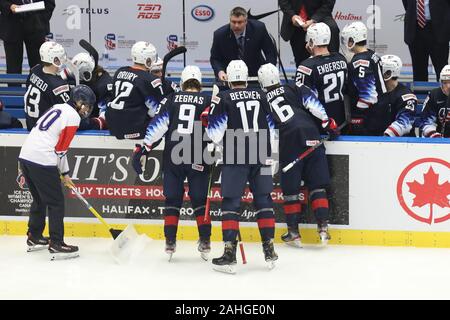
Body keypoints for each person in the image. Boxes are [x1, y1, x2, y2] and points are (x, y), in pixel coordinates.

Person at [132, 66, 212, 261]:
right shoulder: (208, 99)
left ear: (182, 82)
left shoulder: (171, 99)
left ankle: (170, 241)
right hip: (198, 154)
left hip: (173, 154)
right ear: (200, 83)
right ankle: (205, 240)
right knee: (200, 200)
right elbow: (216, 128)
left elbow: (157, 127)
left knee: (173, 199)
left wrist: (144, 149)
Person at [207, 60, 278, 274]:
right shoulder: (262, 95)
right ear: (247, 77)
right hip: (262, 153)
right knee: (264, 199)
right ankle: (269, 250)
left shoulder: (223, 97)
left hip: (235, 155)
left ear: (228, 77)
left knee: (231, 202)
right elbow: (274, 128)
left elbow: (214, 133)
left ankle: (229, 253)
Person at [258, 63, 340, 246]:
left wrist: (271, 155)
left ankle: (293, 232)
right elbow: (314, 104)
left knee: (291, 191)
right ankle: (323, 228)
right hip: (311, 135)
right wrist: (327, 123)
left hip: (289, 142)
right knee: (318, 186)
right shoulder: (294, 87)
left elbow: (270, 129)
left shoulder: (262, 100)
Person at [18, 84, 96, 260]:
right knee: (56, 202)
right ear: (80, 103)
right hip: (42, 159)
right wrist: (65, 173)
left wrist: (64, 173)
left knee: (39, 199)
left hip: (26, 156)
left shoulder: (58, 107)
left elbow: (57, 147)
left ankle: (34, 236)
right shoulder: (73, 117)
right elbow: (61, 150)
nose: (88, 110)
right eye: (88, 105)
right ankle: (56, 242)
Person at [295, 22, 348, 132]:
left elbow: (304, 99)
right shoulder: (341, 58)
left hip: (320, 124)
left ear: (311, 41)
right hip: (341, 121)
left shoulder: (306, 66)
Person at [106, 41, 164, 139]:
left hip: (112, 126)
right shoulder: (151, 80)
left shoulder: (119, 71)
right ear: (148, 60)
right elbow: (157, 112)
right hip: (134, 129)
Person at [341, 22, 387, 135]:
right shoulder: (372, 54)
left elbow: (368, 97)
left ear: (352, 40)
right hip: (380, 110)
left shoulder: (360, 62)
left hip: (369, 117)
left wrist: (355, 114)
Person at [210, 6, 277, 82]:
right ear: (230, 21)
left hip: (255, 74)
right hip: (229, 76)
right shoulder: (220, 34)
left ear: (246, 21)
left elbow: (270, 52)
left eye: (240, 22)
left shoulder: (259, 29)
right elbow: (215, 58)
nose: (236, 25)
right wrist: (220, 71)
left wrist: (268, 70)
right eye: (233, 22)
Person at [0, 0, 55, 77]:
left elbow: (49, 3)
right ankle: (14, 88)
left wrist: (42, 20)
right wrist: (9, 6)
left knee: (37, 67)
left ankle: (35, 88)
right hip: (11, 25)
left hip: (37, 26)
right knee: (13, 67)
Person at [24, 41, 71, 130]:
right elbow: (69, 112)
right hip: (45, 131)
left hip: (30, 125)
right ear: (55, 60)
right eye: (60, 57)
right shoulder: (58, 86)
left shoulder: (35, 70)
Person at [366, 55, 416, 137]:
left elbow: (404, 123)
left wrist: (384, 138)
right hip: (377, 141)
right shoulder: (374, 92)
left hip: (403, 143)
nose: (376, 73)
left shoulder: (407, 96)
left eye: (379, 70)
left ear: (388, 73)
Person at [279, 0, 340, 67]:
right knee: (302, 64)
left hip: (320, 17)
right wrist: (292, 16)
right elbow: (283, 2)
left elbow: (328, 3)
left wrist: (314, 19)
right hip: (296, 23)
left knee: (333, 29)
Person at [62, 52, 113, 130]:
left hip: (93, 126)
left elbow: (105, 119)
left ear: (86, 74)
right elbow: (67, 73)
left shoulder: (103, 85)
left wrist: (87, 124)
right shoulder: (82, 71)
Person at [402, 0, 450, 81]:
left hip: (438, 30)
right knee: (419, 71)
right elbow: (406, 3)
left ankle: (443, 93)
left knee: (442, 70)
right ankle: (420, 93)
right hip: (415, 30)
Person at [420, 64, 450, 138]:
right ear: (441, 83)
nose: (448, 86)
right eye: (445, 83)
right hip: (438, 139)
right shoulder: (434, 95)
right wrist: (435, 136)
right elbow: (426, 120)